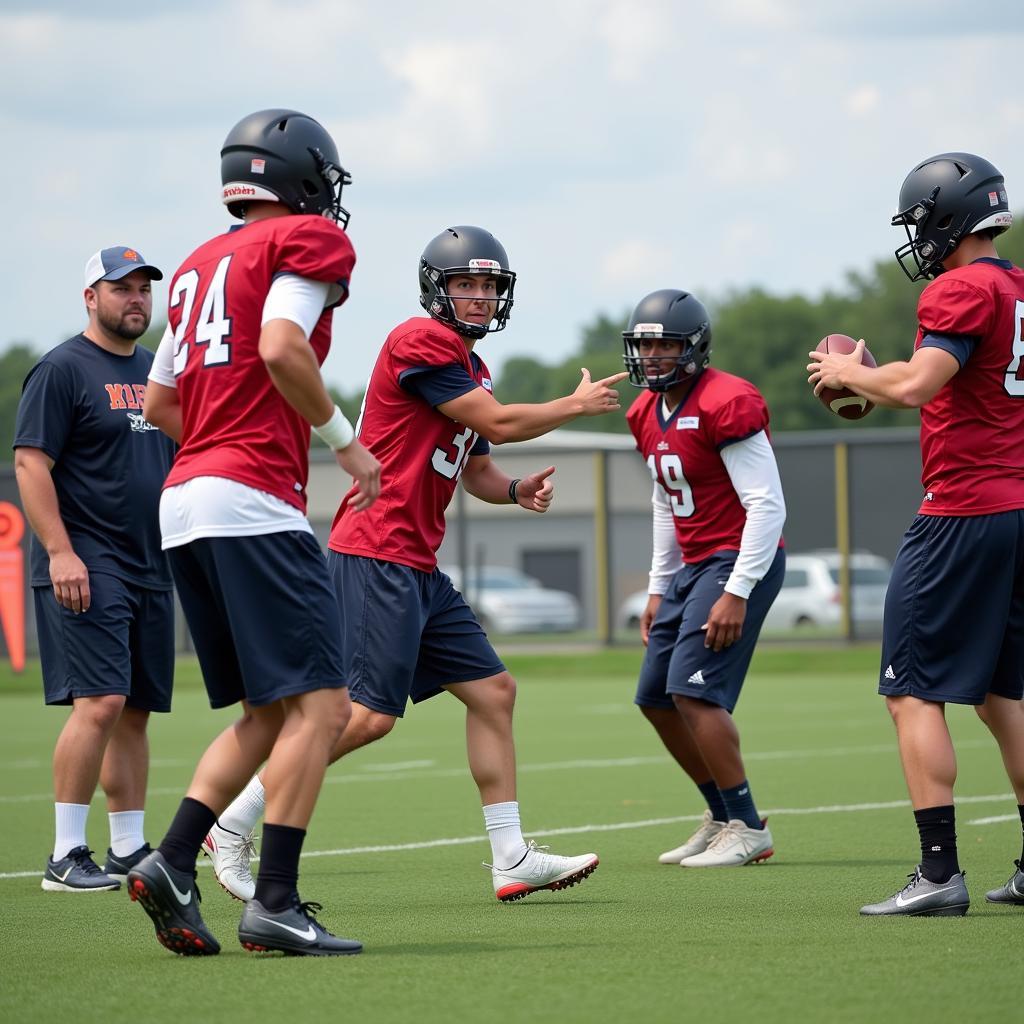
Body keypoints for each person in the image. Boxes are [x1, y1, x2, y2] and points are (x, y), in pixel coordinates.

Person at [204, 224, 624, 904]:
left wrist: (517, 492)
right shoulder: (419, 340)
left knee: (493, 692)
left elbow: (478, 468)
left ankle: (511, 855)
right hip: (376, 551)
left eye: (489, 285)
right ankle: (232, 820)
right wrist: (572, 406)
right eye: (466, 283)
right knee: (363, 716)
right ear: (439, 289)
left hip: (415, 563)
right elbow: (497, 424)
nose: (480, 296)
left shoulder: (470, 367)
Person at [131, 108, 381, 957]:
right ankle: (275, 898)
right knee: (325, 705)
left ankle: (169, 860)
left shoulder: (199, 263)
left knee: (271, 711)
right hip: (246, 499)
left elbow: (162, 401)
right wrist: (345, 442)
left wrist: (215, 440)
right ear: (304, 178)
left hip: (184, 501)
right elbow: (281, 345)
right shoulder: (305, 242)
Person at [808, 151, 1024, 917]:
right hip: (1019, 507)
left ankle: (938, 873)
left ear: (945, 217)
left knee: (909, 691)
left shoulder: (961, 287)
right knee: (1003, 695)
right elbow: (938, 384)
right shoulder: (1016, 286)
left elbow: (914, 383)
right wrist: (877, 374)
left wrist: (849, 375)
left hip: (963, 511)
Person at [13, 246, 174, 893]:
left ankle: (129, 848)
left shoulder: (156, 371)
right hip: (86, 560)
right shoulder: (60, 369)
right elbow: (30, 464)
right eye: (121, 288)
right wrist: (59, 551)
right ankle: (64, 853)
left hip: (149, 562)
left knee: (133, 708)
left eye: (143, 289)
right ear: (90, 298)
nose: (135, 299)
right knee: (100, 700)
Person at [623, 289, 786, 868]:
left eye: (664, 344)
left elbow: (767, 506)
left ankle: (747, 825)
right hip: (693, 566)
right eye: (644, 344)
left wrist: (738, 589)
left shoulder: (727, 400)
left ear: (692, 347)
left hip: (738, 557)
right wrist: (657, 585)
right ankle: (721, 814)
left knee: (692, 692)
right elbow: (667, 501)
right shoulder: (644, 411)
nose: (652, 355)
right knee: (654, 699)